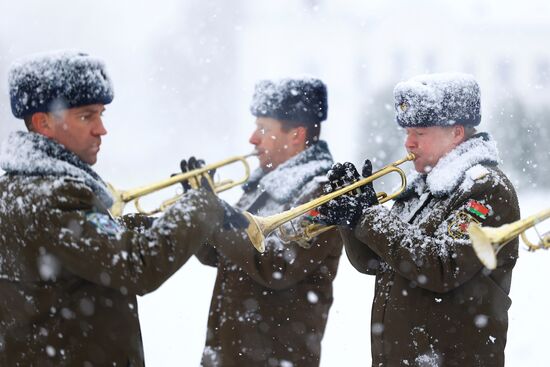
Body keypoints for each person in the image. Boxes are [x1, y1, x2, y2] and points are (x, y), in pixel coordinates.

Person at [0, 50, 228, 366]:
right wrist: (199, 205)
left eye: (101, 115)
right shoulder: (53, 196)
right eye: (86, 116)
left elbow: (91, 247)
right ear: (43, 123)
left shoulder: (23, 187)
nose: (101, 129)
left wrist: (167, 219)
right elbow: (136, 265)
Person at [319, 73, 520, 366]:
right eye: (407, 132)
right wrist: (351, 218)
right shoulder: (421, 187)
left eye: (420, 133)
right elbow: (375, 263)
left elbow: (442, 267)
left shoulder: (485, 188)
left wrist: (368, 217)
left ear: (456, 132)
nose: (408, 143)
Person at [193, 78, 343, 366]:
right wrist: (199, 211)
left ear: (296, 135)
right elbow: (214, 253)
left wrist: (219, 215)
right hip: (227, 352)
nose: (253, 138)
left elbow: (277, 265)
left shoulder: (322, 193)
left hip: (275, 357)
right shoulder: (262, 187)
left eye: (263, 128)